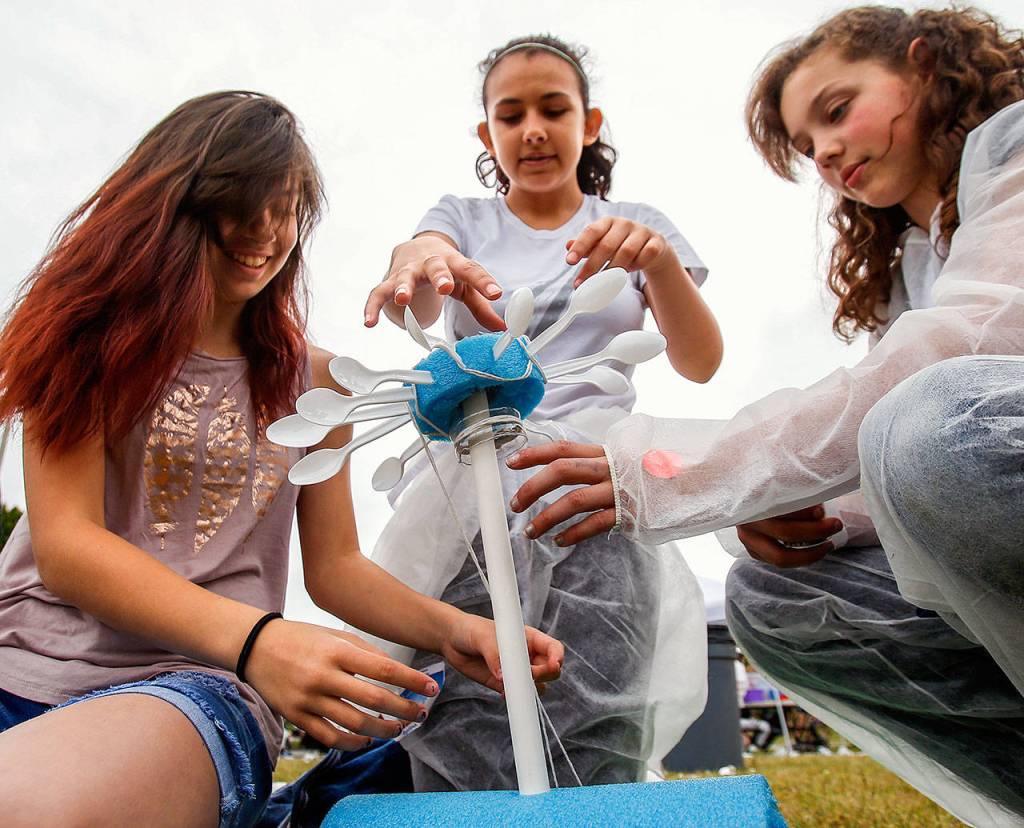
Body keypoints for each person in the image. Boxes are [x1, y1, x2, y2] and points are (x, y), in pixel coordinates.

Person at [505, 7, 1024, 825]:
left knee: (926, 420)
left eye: (836, 109)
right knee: (774, 596)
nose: (822, 152)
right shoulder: (913, 263)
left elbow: (962, 366)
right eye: (805, 143)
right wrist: (811, 514)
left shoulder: (1018, 147)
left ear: (924, 67)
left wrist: (699, 477)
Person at [0, 91, 562, 828]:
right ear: (173, 201)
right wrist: (261, 639)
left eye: (288, 207)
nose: (266, 231)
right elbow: (67, 545)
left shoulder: (317, 383)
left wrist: (455, 629)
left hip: (197, 683)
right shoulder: (85, 332)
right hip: (20, 662)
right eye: (240, 202)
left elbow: (334, 570)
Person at [361, 35, 721, 790]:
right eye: (510, 112)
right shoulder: (460, 217)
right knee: (464, 693)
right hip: (473, 492)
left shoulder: (635, 224)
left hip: (596, 486)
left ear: (590, 123)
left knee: (596, 692)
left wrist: (654, 263)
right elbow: (423, 276)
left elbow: (699, 360)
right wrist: (419, 261)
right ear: (486, 135)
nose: (532, 129)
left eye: (554, 109)